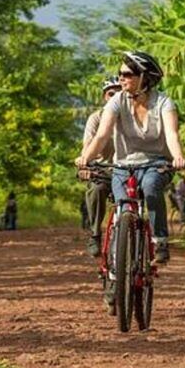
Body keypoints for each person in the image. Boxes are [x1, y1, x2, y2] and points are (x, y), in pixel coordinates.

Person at [76, 51, 185, 265]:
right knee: (121, 207)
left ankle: (160, 241)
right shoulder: (116, 101)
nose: (121, 78)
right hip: (122, 166)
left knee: (152, 187)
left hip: (156, 164)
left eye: (127, 74)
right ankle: (117, 263)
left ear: (144, 77)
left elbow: (172, 135)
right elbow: (102, 135)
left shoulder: (163, 103)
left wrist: (178, 157)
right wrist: (85, 158)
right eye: (120, 74)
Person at [79, 76, 121, 257]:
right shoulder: (96, 118)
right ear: (105, 97)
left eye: (120, 93)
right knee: (96, 190)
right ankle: (95, 233)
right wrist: (85, 162)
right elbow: (88, 144)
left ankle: (148, 237)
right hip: (103, 170)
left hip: (129, 168)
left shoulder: (134, 115)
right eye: (111, 93)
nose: (115, 96)